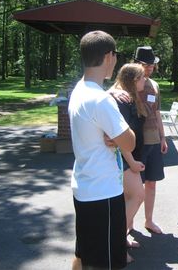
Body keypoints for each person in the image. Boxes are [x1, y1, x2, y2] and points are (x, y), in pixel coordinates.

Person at [69, 30, 135, 270]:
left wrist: (115, 137)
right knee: (106, 263)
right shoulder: (101, 99)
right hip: (103, 193)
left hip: (86, 187)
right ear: (109, 56)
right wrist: (120, 138)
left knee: (84, 254)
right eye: (115, 55)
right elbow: (130, 143)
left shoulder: (79, 89)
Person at [111, 63, 147, 262]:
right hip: (124, 159)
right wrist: (132, 162)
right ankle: (115, 244)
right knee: (137, 195)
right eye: (141, 77)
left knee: (128, 198)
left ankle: (120, 238)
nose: (145, 81)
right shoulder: (120, 99)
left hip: (130, 158)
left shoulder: (128, 96)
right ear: (133, 80)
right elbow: (120, 136)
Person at [134, 46, 168, 234]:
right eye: (146, 65)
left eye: (152, 64)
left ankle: (149, 220)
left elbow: (157, 113)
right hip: (137, 142)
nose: (150, 68)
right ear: (137, 64)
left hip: (154, 140)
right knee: (133, 187)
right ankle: (129, 223)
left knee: (152, 182)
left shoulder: (154, 85)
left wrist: (163, 137)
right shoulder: (128, 85)